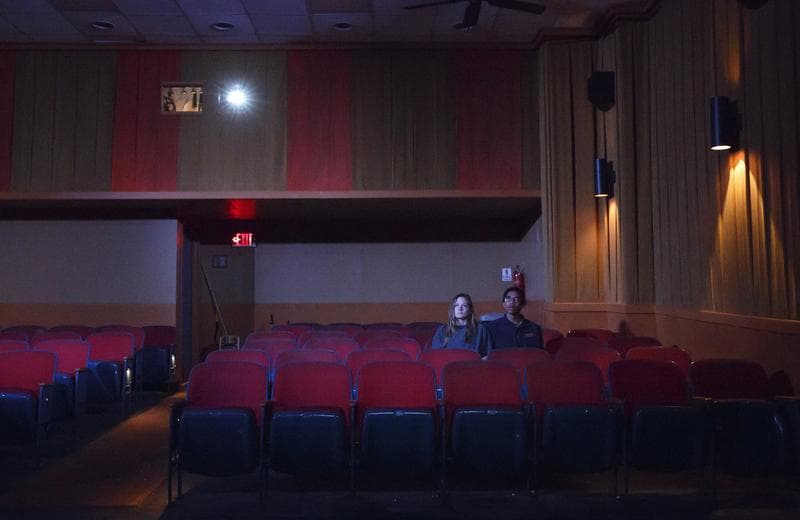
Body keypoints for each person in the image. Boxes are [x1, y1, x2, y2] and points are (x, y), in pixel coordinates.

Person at [485, 286, 543, 351]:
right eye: (508, 299)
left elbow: (539, 354)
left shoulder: (534, 328)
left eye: (516, 299)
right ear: (503, 304)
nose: (511, 302)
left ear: (522, 304)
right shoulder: (492, 327)